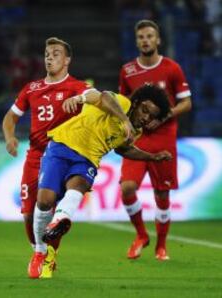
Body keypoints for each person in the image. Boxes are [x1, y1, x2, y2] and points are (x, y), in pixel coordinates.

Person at [30, 84, 172, 278]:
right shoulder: (122, 103)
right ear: (137, 103)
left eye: (152, 116)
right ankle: (39, 251)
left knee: (80, 184)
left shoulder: (134, 132)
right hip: (62, 146)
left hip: (87, 160)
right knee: (44, 201)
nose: (146, 118)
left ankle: (60, 219)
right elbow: (103, 96)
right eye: (145, 110)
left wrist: (152, 157)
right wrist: (124, 120)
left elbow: (123, 149)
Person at [2, 37, 93, 278]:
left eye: (55, 53)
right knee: (29, 213)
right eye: (46, 54)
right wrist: (10, 137)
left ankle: (47, 255)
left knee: (54, 213)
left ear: (67, 60)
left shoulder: (77, 87)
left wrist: (84, 99)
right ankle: (38, 250)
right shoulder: (32, 89)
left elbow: (97, 98)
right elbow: (10, 117)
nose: (49, 58)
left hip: (65, 156)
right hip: (36, 156)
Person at [118, 19, 192, 261]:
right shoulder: (128, 71)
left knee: (162, 194)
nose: (145, 40)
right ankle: (141, 235)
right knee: (127, 188)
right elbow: (123, 104)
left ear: (158, 40)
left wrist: (163, 118)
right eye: (141, 37)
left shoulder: (172, 68)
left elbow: (186, 103)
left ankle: (161, 246)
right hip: (137, 139)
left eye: (150, 36)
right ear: (137, 41)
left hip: (164, 138)